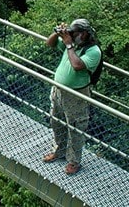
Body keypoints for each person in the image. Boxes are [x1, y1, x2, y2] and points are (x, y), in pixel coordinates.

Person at [42, 18, 102, 175]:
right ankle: (59, 151)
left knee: (75, 128)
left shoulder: (93, 51)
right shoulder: (74, 43)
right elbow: (49, 43)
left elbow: (77, 65)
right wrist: (57, 33)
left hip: (76, 95)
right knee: (56, 122)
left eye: (74, 33)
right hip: (58, 90)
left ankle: (74, 161)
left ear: (83, 34)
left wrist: (69, 44)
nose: (71, 35)